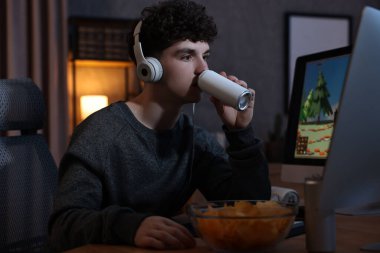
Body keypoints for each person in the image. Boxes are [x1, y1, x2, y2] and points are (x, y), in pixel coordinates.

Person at [48, 0, 271, 251]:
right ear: (149, 68)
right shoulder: (100, 134)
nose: (204, 69)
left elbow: (251, 211)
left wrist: (241, 132)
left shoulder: (195, 141)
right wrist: (130, 226)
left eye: (205, 56)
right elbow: (63, 226)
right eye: (186, 56)